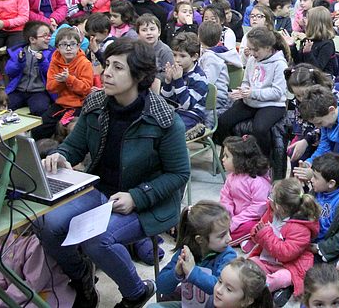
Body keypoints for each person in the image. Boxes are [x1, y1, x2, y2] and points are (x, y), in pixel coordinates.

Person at [38, 38, 190, 307]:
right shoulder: (97, 103)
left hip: (147, 201)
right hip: (100, 190)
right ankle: (81, 278)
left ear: (139, 76)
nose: (106, 72)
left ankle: (135, 293)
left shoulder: (165, 119)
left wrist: (136, 197)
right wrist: (60, 155)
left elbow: (178, 174)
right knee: (46, 224)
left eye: (118, 67)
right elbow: (74, 146)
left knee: (98, 239)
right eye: (106, 64)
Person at [215, 26, 288, 159]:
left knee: (259, 129)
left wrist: (252, 93)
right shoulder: (252, 60)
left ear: (268, 48)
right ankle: (234, 154)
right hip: (250, 100)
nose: (252, 53)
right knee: (223, 121)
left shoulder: (280, 64)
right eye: (250, 48)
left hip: (272, 104)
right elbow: (246, 81)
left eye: (256, 50)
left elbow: (277, 92)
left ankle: (263, 160)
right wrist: (242, 91)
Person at [248, 178, 320, 304]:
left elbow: (285, 254)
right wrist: (256, 232)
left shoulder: (301, 228)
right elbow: (259, 229)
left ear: (280, 207)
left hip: (290, 266)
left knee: (282, 278)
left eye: (271, 197)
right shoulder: (272, 213)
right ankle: (267, 287)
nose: (268, 199)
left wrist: (264, 234)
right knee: (250, 263)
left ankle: (263, 289)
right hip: (267, 259)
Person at [154, 201, 237, 307]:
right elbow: (161, 287)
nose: (229, 238)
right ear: (200, 240)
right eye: (222, 236)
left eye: (228, 231)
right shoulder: (185, 252)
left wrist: (192, 272)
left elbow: (220, 288)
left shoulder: (228, 256)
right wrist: (176, 273)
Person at [31, 27, 93, 140]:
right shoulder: (55, 62)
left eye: (72, 44)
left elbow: (86, 89)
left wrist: (69, 79)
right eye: (64, 45)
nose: (68, 48)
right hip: (61, 103)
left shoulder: (85, 63)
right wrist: (61, 81)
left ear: (78, 46)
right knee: (38, 129)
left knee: (66, 128)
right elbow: (50, 87)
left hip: (79, 104)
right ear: (58, 47)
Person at [218, 135, 272, 251]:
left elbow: (258, 209)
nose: (223, 159)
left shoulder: (258, 182)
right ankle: (245, 240)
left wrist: (235, 221)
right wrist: (227, 215)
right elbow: (226, 197)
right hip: (235, 217)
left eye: (227, 156)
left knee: (252, 227)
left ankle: (234, 240)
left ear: (240, 160)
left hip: (251, 219)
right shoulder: (231, 177)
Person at [310, 152, 339, 264]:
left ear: (331, 183)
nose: (311, 180)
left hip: (323, 251)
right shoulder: (316, 191)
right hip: (306, 240)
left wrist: (319, 248)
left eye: (315, 177)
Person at [161, 32, 208, 134]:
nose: (177, 60)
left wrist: (178, 81)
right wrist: (168, 82)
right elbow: (166, 100)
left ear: (194, 57)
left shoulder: (199, 78)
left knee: (172, 130)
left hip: (193, 116)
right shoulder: (178, 71)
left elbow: (187, 105)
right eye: (174, 55)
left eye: (182, 56)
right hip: (176, 112)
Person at [5, 21, 54, 117]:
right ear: (32, 39)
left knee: (40, 109)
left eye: (49, 35)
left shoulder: (51, 53)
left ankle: (33, 131)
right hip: (18, 90)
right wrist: (19, 62)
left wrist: (43, 61)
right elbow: (9, 71)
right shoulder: (19, 52)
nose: (49, 38)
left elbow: (51, 73)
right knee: (5, 104)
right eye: (44, 36)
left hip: (39, 91)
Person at [197, 21, 230, 124]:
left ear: (199, 37)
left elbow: (207, 81)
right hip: (209, 96)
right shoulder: (209, 54)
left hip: (217, 98)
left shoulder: (211, 57)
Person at [289, 6, 337, 75]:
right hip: (305, 75)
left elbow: (317, 69)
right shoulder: (308, 40)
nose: (304, 20)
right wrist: (292, 46)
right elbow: (299, 62)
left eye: (307, 18)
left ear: (315, 24)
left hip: (322, 79)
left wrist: (308, 53)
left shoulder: (327, 44)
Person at [136, 13, 174, 84]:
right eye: (144, 30)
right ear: (138, 34)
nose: (149, 33)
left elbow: (169, 73)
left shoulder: (165, 51)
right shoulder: (136, 50)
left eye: (152, 29)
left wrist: (153, 78)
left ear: (159, 32)